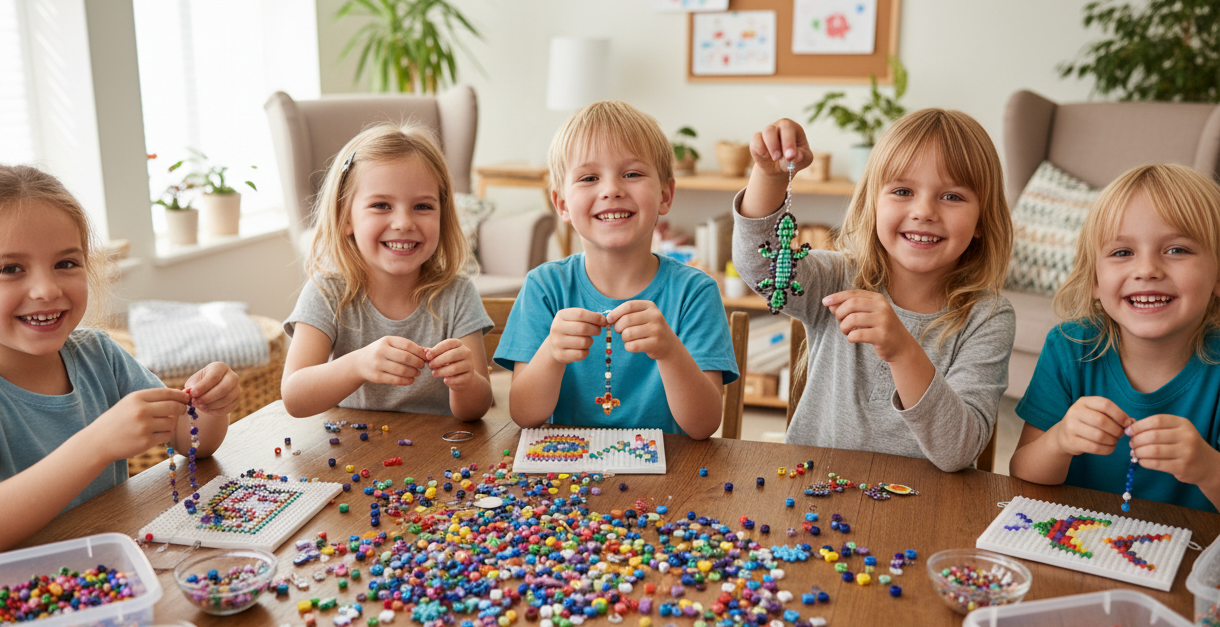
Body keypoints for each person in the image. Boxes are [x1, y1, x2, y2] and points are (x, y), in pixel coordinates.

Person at [0, 165, 240, 557]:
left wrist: (210, 406)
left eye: (66, 263)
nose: (47, 289)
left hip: (111, 568)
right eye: (10, 269)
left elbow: (192, 442)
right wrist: (96, 445)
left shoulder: (100, 354)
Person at [733, 111, 1015, 471]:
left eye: (952, 196)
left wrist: (901, 350)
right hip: (812, 495)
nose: (924, 211)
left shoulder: (988, 317)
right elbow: (762, 266)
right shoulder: (838, 276)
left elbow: (957, 451)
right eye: (902, 191)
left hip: (927, 510)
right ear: (872, 204)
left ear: (981, 221)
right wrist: (769, 177)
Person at [496, 101, 738, 439]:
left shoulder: (695, 292)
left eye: (632, 174)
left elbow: (703, 426)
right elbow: (524, 415)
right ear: (563, 205)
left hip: (671, 479)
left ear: (665, 195)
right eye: (589, 177)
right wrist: (551, 353)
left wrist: (670, 351)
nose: (611, 189)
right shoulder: (544, 286)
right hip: (569, 474)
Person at [1010, 164, 1220, 512]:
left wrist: (1208, 468)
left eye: (1177, 250)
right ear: (1094, 279)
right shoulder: (1069, 349)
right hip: (1080, 547)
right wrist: (1060, 440)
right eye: (1123, 253)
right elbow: (1022, 473)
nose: (1147, 269)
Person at [282, 123, 493, 420]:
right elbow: (295, 399)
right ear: (346, 218)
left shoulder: (457, 294)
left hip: (439, 457)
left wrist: (466, 382)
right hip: (351, 455)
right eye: (381, 205)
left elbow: (476, 409)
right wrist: (357, 365)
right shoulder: (326, 293)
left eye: (422, 206)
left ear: (442, 216)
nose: (404, 222)